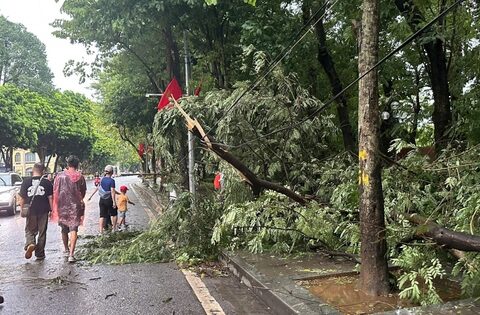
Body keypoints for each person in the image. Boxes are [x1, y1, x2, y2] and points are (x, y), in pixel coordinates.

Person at [51, 155, 87, 263]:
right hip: (75, 206)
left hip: (62, 206)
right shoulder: (80, 177)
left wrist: (56, 205)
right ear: (77, 164)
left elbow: (55, 190)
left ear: (68, 164)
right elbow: (83, 191)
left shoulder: (59, 176)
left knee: (63, 229)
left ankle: (66, 249)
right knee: (74, 229)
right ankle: (71, 254)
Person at [18, 163, 53, 260]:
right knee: (42, 232)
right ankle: (40, 254)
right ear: (42, 171)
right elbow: (50, 198)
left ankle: (31, 243)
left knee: (29, 230)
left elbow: (22, 198)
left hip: (30, 210)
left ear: (33, 170)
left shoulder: (26, 182)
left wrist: (22, 209)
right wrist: (52, 210)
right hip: (43, 210)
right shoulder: (47, 182)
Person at [88, 165, 118, 233]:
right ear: (112, 172)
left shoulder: (102, 179)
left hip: (102, 200)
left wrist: (91, 196)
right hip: (109, 200)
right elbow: (112, 191)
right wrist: (114, 202)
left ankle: (101, 231)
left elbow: (98, 188)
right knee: (114, 214)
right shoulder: (112, 181)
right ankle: (114, 228)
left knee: (102, 215)